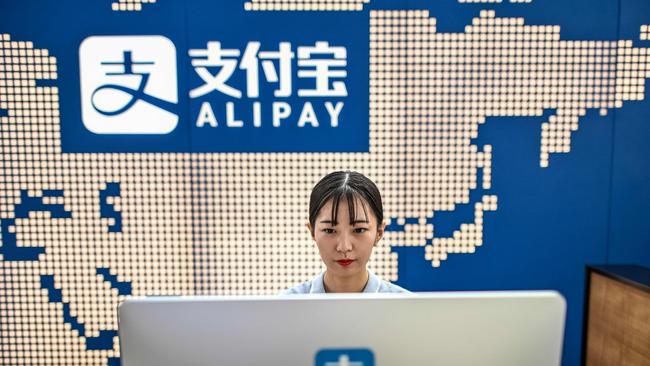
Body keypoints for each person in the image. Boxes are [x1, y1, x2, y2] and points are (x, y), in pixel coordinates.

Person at [285, 171, 409, 294]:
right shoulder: (283, 308)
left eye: (359, 230)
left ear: (379, 233)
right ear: (312, 232)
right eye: (329, 230)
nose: (344, 247)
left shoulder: (409, 309)